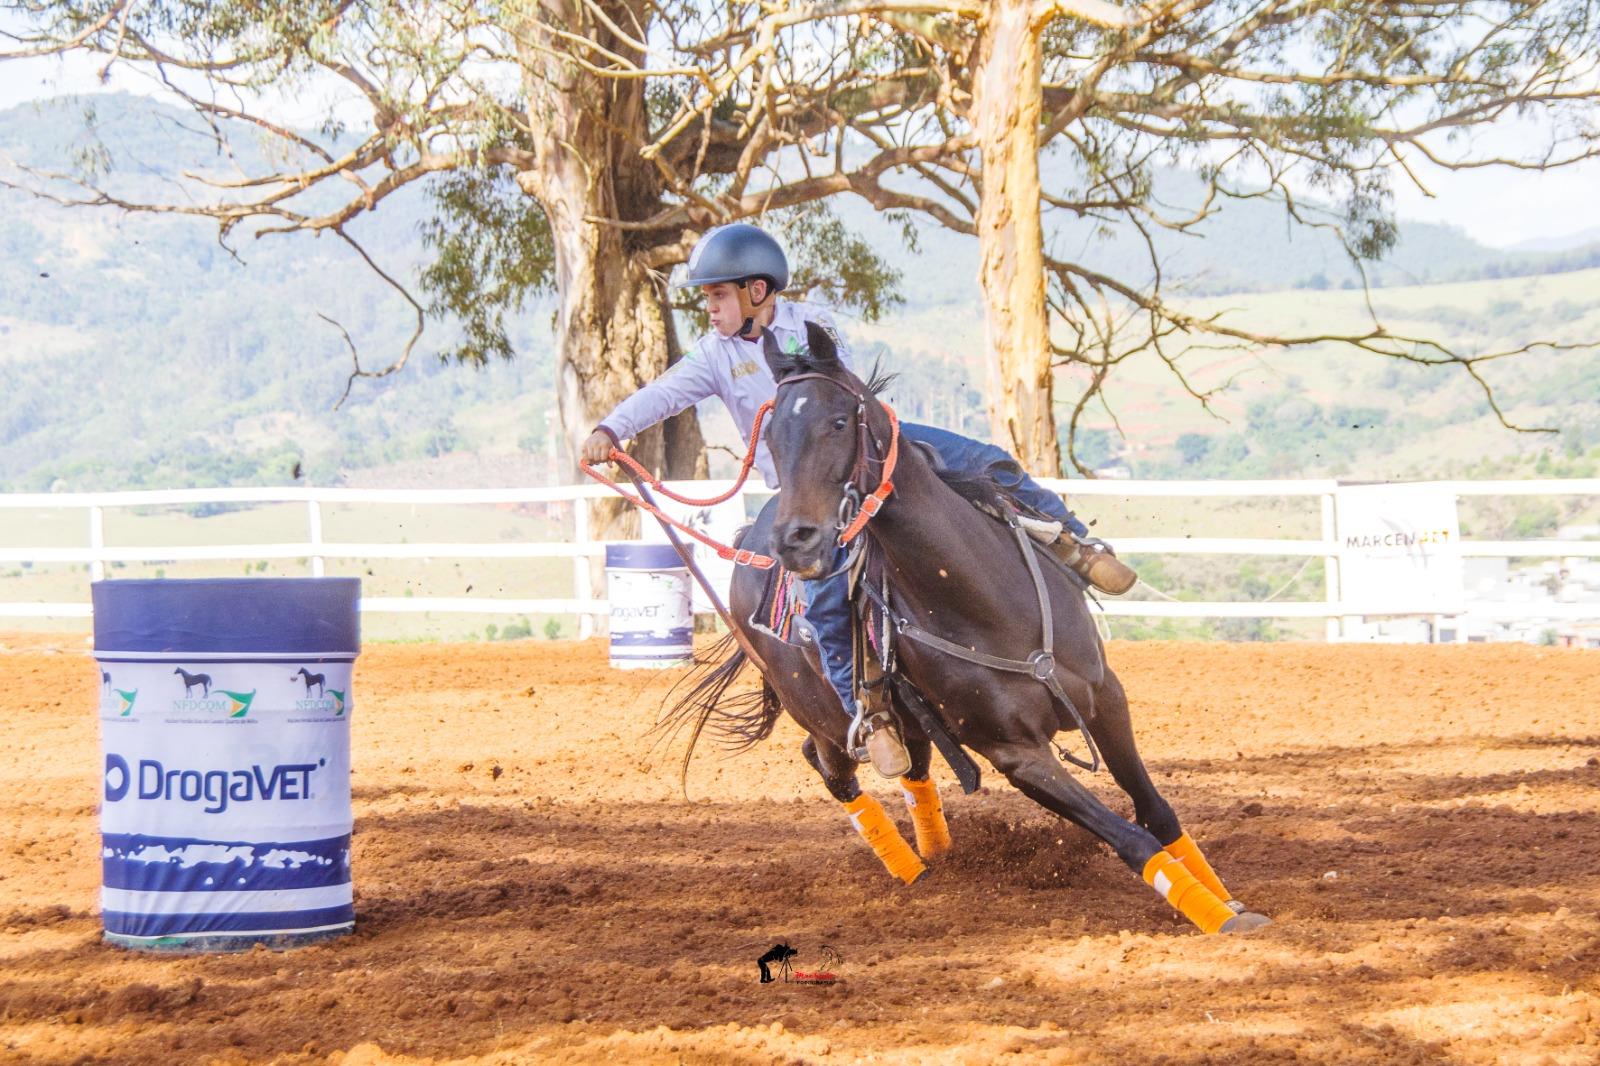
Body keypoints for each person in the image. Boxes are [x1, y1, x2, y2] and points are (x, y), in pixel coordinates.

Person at [582, 223, 1136, 777]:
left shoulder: (810, 330)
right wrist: (612, 428)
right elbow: (663, 394)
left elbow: (838, 386)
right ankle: (867, 714)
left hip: (872, 451)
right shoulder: (712, 356)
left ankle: (1075, 545)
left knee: (985, 462)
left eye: (717, 294)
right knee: (822, 595)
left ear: (757, 291)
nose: (708, 306)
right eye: (706, 296)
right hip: (810, 491)